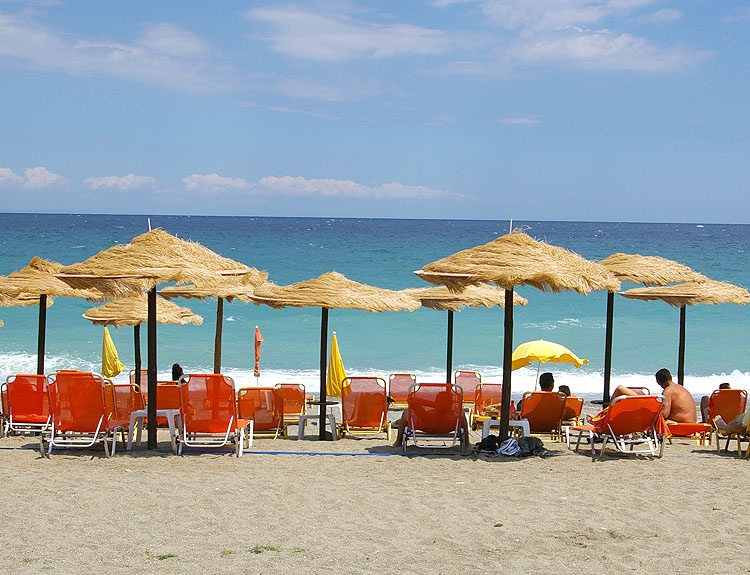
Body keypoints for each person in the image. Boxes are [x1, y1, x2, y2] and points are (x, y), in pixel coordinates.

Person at [602, 368, 697, 423]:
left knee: (652, 421)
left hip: (682, 425)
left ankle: (608, 414)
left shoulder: (668, 391)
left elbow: (664, 414)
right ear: (670, 377)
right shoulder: (680, 387)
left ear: (658, 382)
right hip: (692, 423)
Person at [392, 390, 471, 454]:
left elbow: (411, 400)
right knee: (462, 413)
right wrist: (439, 406)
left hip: (427, 426)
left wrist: (433, 404)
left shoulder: (427, 415)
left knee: (405, 413)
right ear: (450, 404)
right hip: (446, 428)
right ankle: (467, 443)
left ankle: (398, 442)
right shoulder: (454, 416)